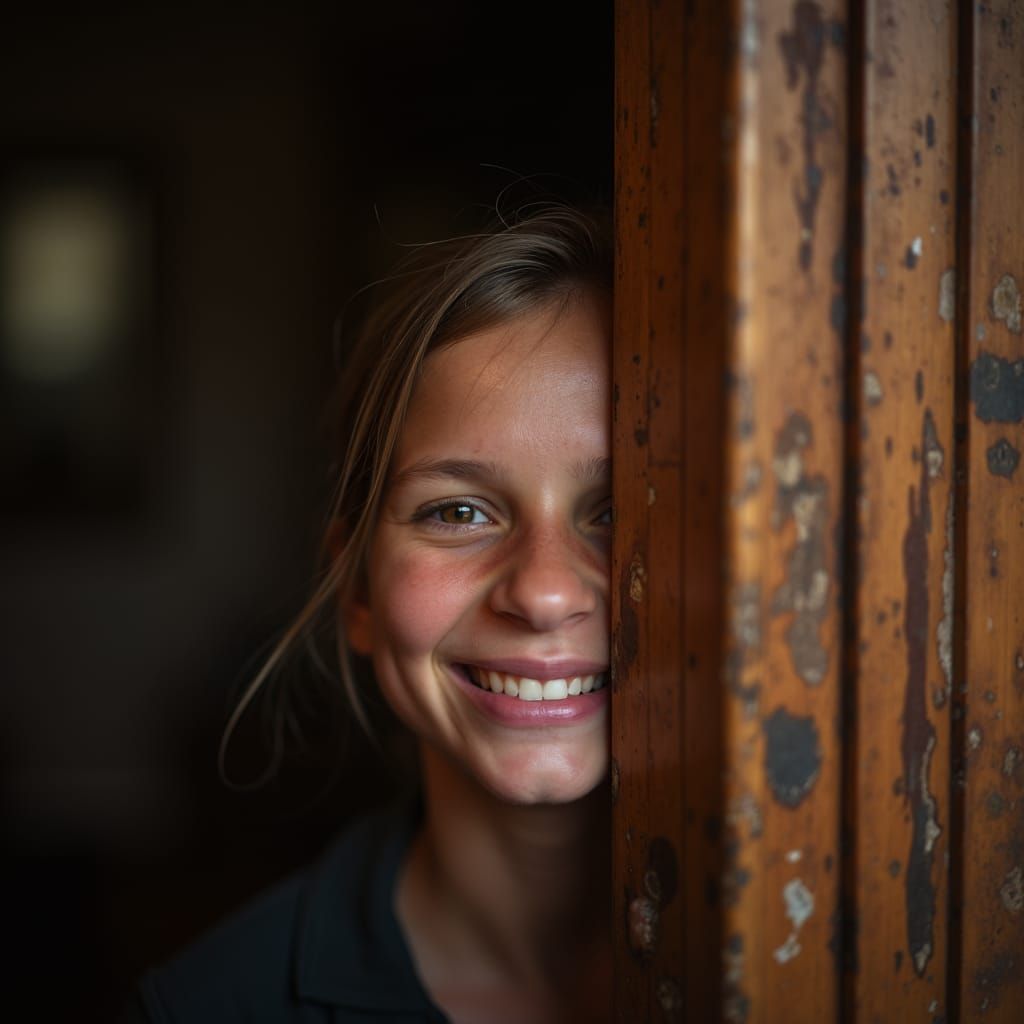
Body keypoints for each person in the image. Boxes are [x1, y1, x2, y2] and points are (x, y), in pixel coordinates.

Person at [122, 204, 613, 1024]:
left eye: (618, 511)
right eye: (457, 512)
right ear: (356, 590)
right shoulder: (210, 1010)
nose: (545, 592)